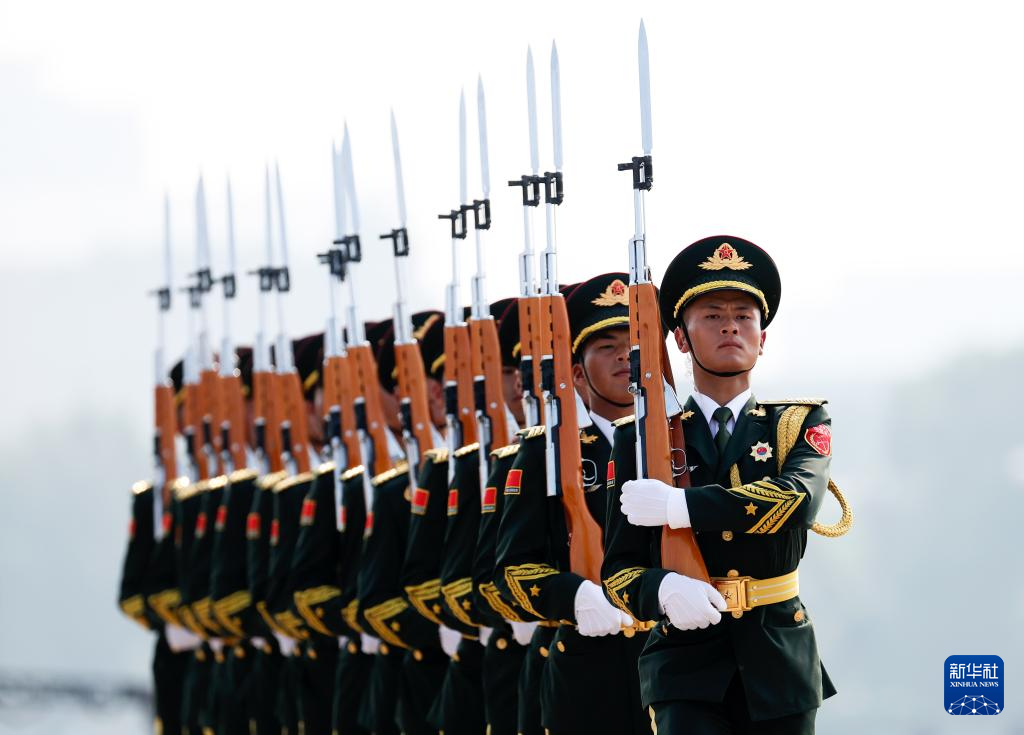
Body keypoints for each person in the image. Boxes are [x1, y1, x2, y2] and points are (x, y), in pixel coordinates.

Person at [602, 235, 837, 734]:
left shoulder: (796, 423)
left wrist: (681, 506)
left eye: (743, 316)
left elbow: (797, 502)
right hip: (684, 671)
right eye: (711, 315)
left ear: (762, 338)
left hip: (778, 662)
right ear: (681, 339)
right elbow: (618, 572)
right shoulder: (641, 440)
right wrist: (662, 590)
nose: (730, 325)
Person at [494, 273, 648, 734]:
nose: (623, 356)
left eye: (632, 344)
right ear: (577, 374)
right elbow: (511, 571)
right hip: (588, 674)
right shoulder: (548, 453)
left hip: (680, 667)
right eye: (606, 346)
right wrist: (574, 596)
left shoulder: (684, 443)